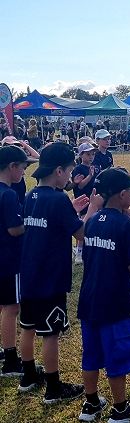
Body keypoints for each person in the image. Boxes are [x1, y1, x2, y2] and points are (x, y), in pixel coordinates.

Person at [77, 168, 130, 423]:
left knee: (91, 353)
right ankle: (120, 411)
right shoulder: (127, 225)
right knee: (117, 355)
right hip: (115, 301)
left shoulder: (91, 221)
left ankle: (91, 403)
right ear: (122, 194)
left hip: (89, 299)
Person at [18, 142, 100, 403]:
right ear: (58, 171)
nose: (70, 177)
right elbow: (81, 233)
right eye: (69, 171)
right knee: (50, 333)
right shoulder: (58, 198)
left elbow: (48, 222)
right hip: (50, 277)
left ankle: (28, 376)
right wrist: (92, 210)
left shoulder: (31, 195)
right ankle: (53, 388)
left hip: (29, 274)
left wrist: (71, 210)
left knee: (28, 327)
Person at [0, 146, 36, 377]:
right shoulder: (8, 194)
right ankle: (11, 360)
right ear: (12, 167)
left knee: (3, 306)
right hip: (9, 258)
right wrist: (32, 225)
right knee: (12, 308)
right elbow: (14, 229)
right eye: (22, 168)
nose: (23, 173)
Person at [72, 142, 98, 264]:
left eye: (92, 154)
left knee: (93, 224)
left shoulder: (93, 167)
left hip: (93, 199)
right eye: (88, 154)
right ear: (81, 155)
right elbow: (80, 185)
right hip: (83, 200)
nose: (91, 157)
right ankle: (79, 252)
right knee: (84, 224)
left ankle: (90, 249)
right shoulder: (78, 169)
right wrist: (90, 176)